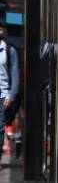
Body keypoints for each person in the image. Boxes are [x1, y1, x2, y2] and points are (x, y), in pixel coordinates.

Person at [0, 20, 19, 170]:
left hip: (3, 96)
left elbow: (15, 75)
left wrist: (10, 96)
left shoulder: (9, 50)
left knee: (0, 128)